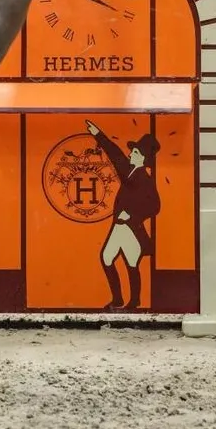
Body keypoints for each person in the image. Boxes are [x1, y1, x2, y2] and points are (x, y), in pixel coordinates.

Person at [85, 120, 161, 311]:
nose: (130, 154)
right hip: (119, 226)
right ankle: (118, 299)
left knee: (131, 262)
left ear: (143, 158)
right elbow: (117, 156)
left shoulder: (143, 178)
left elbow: (155, 207)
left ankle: (133, 301)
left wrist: (133, 216)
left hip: (130, 228)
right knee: (107, 258)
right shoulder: (131, 172)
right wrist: (98, 134)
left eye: (135, 153)